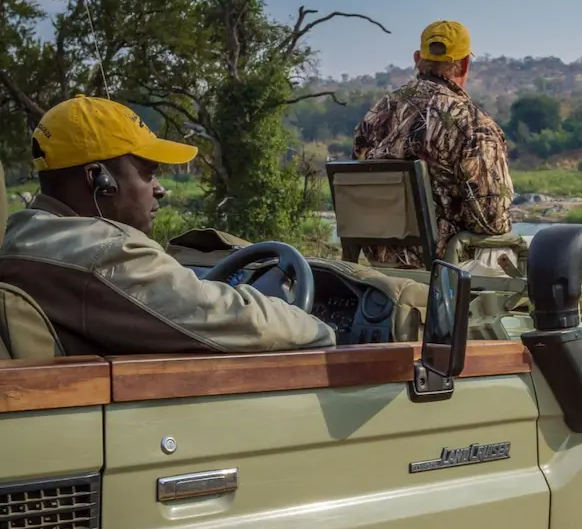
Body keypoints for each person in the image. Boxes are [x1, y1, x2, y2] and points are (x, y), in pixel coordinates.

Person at [0, 95, 338, 356]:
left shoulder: (21, 238)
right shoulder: (105, 252)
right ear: (98, 179)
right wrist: (326, 329)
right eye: (148, 172)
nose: (159, 188)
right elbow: (243, 323)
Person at [353, 20, 515, 269]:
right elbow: (491, 220)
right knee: (520, 250)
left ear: (418, 58)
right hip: (446, 270)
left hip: (380, 268)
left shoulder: (374, 117)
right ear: (464, 64)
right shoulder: (473, 124)